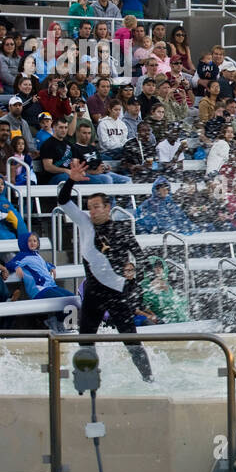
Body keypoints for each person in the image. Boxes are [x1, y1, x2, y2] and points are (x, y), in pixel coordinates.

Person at [57, 160, 153, 381]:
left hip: (117, 293)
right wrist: (71, 179)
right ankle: (87, 378)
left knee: (131, 341)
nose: (91, 211)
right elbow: (63, 200)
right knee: (85, 339)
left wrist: (136, 283)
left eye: (96, 207)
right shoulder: (84, 224)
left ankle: (148, 379)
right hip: (93, 293)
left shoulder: (120, 228)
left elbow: (140, 256)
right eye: (89, 207)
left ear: (108, 207)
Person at [5, 231, 77, 331]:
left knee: (72, 298)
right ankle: (60, 324)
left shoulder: (37, 255)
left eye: (35, 241)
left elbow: (42, 264)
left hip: (50, 286)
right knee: (63, 300)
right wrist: (16, 267)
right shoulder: (22, 256)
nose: (33, 243)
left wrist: (50, 266)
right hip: (39, 290)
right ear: (23, 243)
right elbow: (9, 264)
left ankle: (63, 323)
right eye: (29, 241)